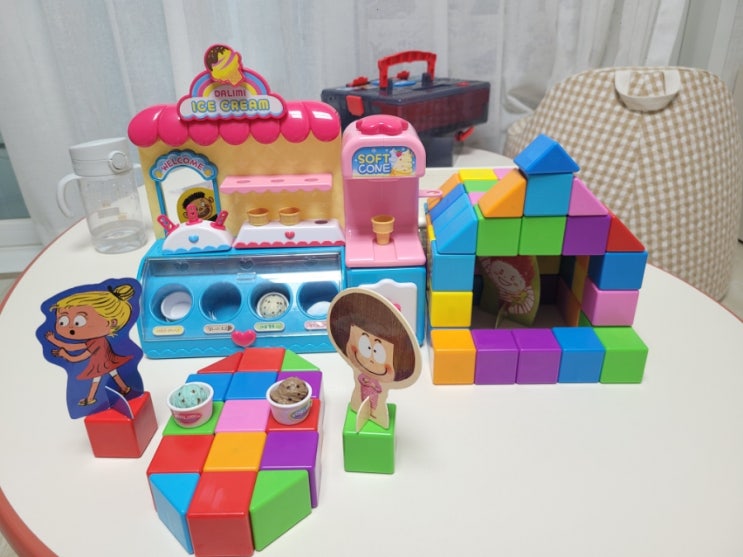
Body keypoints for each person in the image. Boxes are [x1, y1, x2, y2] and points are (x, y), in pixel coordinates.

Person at [327, 288, 421, 429]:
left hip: (379, 411)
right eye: (364, 346)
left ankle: (374, 414)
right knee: (357, 402)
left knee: (378, 411)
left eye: (379, 353)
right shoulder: (359, 371)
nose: (371, 360)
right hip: (358, 402)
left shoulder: (384, 379)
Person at [45, 283, 137, 406]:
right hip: (105, 362)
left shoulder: (97, 342)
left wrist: (63, 352)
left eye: (79, 322)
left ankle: (90, 399)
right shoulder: (96, 340)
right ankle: (124, 388)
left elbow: (78, 355)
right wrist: (56, 343)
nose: (70, 328)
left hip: (101, 364)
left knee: (97, 379)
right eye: (63, 321)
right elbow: (76, 347)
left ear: (112, 322)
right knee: (112, 373)